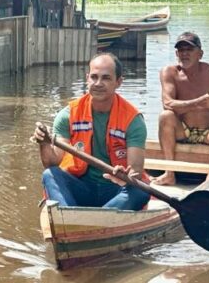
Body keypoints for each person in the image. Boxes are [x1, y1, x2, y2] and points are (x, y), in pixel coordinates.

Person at [32, 52, 150, 211]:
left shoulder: (133, 120)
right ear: (87, 79)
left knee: (140, 190)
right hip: (82, 186)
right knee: (50, 174)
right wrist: (44, 143)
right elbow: (52, 162)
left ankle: (91, 219)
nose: (98, 83)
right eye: (94, 77)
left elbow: (135, 170)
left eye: (106, 78)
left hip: (114, 189)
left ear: (118, 82)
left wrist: (125, 175)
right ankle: (70, 217)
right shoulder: (67, 115)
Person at [151, 31, 209, 186]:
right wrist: (199, 103)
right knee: (165, 116)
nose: (185, 54)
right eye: (181, 50)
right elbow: (168, 103)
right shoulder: (169, 72)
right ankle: (169, 173)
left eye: (189, 50)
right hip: (183, 131)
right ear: (176, 53)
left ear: (200, 54)